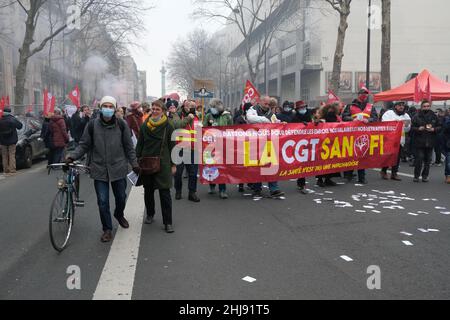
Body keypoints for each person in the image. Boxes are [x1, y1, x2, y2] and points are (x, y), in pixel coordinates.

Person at [66, 96, 139, 243]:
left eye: (110, 106)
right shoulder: (92, 125)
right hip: (99, 168)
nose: (108, 109)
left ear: (114, 108)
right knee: (103, 201)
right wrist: (72, 156)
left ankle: (119, 214)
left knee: (121, 197)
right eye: (105, 106)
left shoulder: (122, 124)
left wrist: (134, 163)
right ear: (100, 108)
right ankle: (107, 229)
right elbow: (84, 145)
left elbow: (128, 147)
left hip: (118, 167)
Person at [136, 100, 176, 233]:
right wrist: (136, 161)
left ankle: (168, 222)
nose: (154, 111)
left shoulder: (168, 126)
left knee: (165, 194)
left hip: (163, 163)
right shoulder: (145, 125)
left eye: (157, 109)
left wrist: (173, 164)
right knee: (148, 191)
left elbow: (173, 146)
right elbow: (140, 144)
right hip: (147, 163)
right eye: (153, 108)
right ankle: (150, 214)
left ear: (163, 111)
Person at [246, 96, 285, 198]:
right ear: (260, 102)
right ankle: (257, 188)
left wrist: (281, 123)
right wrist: (264, 119)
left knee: (271, 164)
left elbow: (275, 122)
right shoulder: (252, 110)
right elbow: (250, 118)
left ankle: (274, 189)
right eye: (265, 104)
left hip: (269, 141)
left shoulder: (271, 114)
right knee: (256, 166)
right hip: (254, 142)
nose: (267, 106)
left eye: (269, 104)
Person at [342, 87, 379, 184]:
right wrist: (352, 119)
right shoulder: (350, 106)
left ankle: (361, 177)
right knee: (351, 155)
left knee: (362, 156)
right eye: (363, 93)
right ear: (358, 94)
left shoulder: (370, 107)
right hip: (351, 134)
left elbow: (375, 118)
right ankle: (348, 174)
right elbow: (344, 117)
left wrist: (369, 120)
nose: (364, 96)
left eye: (366, 94)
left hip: (365, 135)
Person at [203, 98, 233, 199]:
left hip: (223, 145)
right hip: (210, 145)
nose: (212, 109)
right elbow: (204, 129)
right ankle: (211, 184)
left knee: (222, 167)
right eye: (211, 107)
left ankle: (223, 190)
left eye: (214, 107)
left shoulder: (227, 116)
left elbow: (231, 129)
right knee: (211, 165)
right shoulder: (208, 116)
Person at [174, 100, 201, 202]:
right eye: (189, 106)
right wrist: (188, 117)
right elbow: (177, 126)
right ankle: (178, 191)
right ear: (184, 106)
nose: (191, 108)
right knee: (178, 173)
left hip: (193, 149)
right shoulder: (177, 116)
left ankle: (192, 193)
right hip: (180, 149)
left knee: (193, 173)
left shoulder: (197, 117)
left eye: (193, 106)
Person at [411, 99, 441, 183]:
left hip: (430, 140)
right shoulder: (416, 116)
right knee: (419, 159)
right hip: (419, 141)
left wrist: (434, 129)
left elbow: (440, 126)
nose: (426, 108)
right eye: (424, 106)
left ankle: (425, 176)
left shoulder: (434, 116)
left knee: (428, 160)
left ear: (430, 106)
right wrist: (418, 128)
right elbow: (412, 128)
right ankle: (416, 176)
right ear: (421, 107)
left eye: (428, 106)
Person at [380, 101, 411, 181]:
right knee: (388, 156)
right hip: (390, 139)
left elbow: (407, 129)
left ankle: (394, 173)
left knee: (397, 157)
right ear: (395, 106)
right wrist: (397, 123)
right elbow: (384, 124)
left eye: (402, 105)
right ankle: (384, 170)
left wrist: (406, 126)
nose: (401, 107)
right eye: (399, 105)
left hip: (400, 139)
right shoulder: (389, 113)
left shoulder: (406, 115)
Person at [315, 103, 341, 187]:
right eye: (329, 110)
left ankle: (328, 179)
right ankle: (320, 179)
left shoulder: (336, 118)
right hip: (323, 142)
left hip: (333, 142)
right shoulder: (322, 118)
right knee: (322, 162)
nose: (331, 112)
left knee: (332, 161)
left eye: (332, 110)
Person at [292, 100, 313, 193]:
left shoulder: (309, 115)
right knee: (301, 163)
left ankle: (302, 182)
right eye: (301, 108)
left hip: (309, 142)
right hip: (298, 143)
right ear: (297, 109)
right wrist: (300, 125)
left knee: (306, 163)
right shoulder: (294, 117)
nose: (303, 109)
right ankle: (301, 183)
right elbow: (291, 129)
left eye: (304, 107)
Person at [0, 107, 23, 176]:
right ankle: (12, 170)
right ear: (10, 112)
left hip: (3, 141)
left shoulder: (0, 120)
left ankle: (5, 170)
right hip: (12, 140)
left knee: (4, 156)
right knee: (12, 155)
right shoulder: (12, 119)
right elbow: (20, 126)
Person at [443, 113, 450, 184]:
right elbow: (445, 130)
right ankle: (448, 175)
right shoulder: (447, 120)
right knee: (448, 161)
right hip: (449, 143)